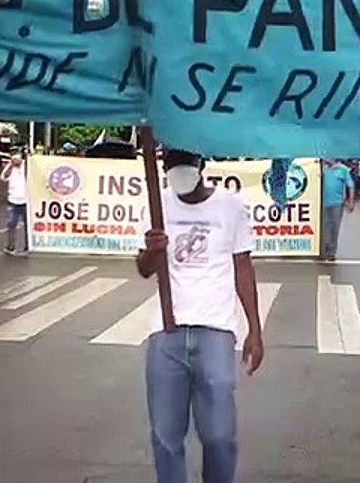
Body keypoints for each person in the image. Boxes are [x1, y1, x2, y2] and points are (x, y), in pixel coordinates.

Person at [136, 149, 264, 483]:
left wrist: (255, 330)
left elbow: (243, 268)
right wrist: (152, 250)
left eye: (185, 166)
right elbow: (143, 269)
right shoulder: (156, 204)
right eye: (171, 167)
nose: (178, 173)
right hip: (167, 331)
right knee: (166, 436)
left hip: (216, 331)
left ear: (201, 166)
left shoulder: (230, 206)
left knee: (220, 435)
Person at [319, 159, 356, 262]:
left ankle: (331, 252)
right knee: (323, 228)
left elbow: (351, 186)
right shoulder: (322, 169)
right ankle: (323, 251)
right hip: (322, 203)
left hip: (337, 204)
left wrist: (351, 202)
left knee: (334, 228)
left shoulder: (343, 170)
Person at [1, 153, 28, 256]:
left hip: (26, 200)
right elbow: (4, 177)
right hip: (12, 200)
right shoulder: (10, 166)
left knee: (28, 225)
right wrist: (11, 166)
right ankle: (10, 246)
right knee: (11, 224)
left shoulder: (26, 166)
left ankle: (28, 246)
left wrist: (22, 165)